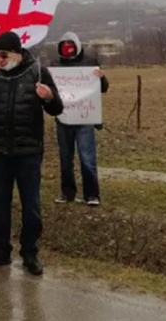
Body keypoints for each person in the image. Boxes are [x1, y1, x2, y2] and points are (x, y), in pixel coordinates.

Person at [0, 32, 64, 276]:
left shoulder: (38, 72)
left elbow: (57, 108)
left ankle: (30, 253)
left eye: (4, 54)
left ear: (18, 53)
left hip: (28, 152)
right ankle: (0, 252)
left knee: (31, 206)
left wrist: (49, 97)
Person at [53, 32, 109, 206]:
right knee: (65, 158)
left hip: (85, 119)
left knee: (87, 158)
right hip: (63, 119)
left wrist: (102, 77)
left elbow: (103, 88)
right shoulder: (55, 66)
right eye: (65, 47)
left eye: (71, 47)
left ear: (77, 47)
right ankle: (67, 193)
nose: (68, 50)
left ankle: (92, 195)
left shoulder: (90, 63)